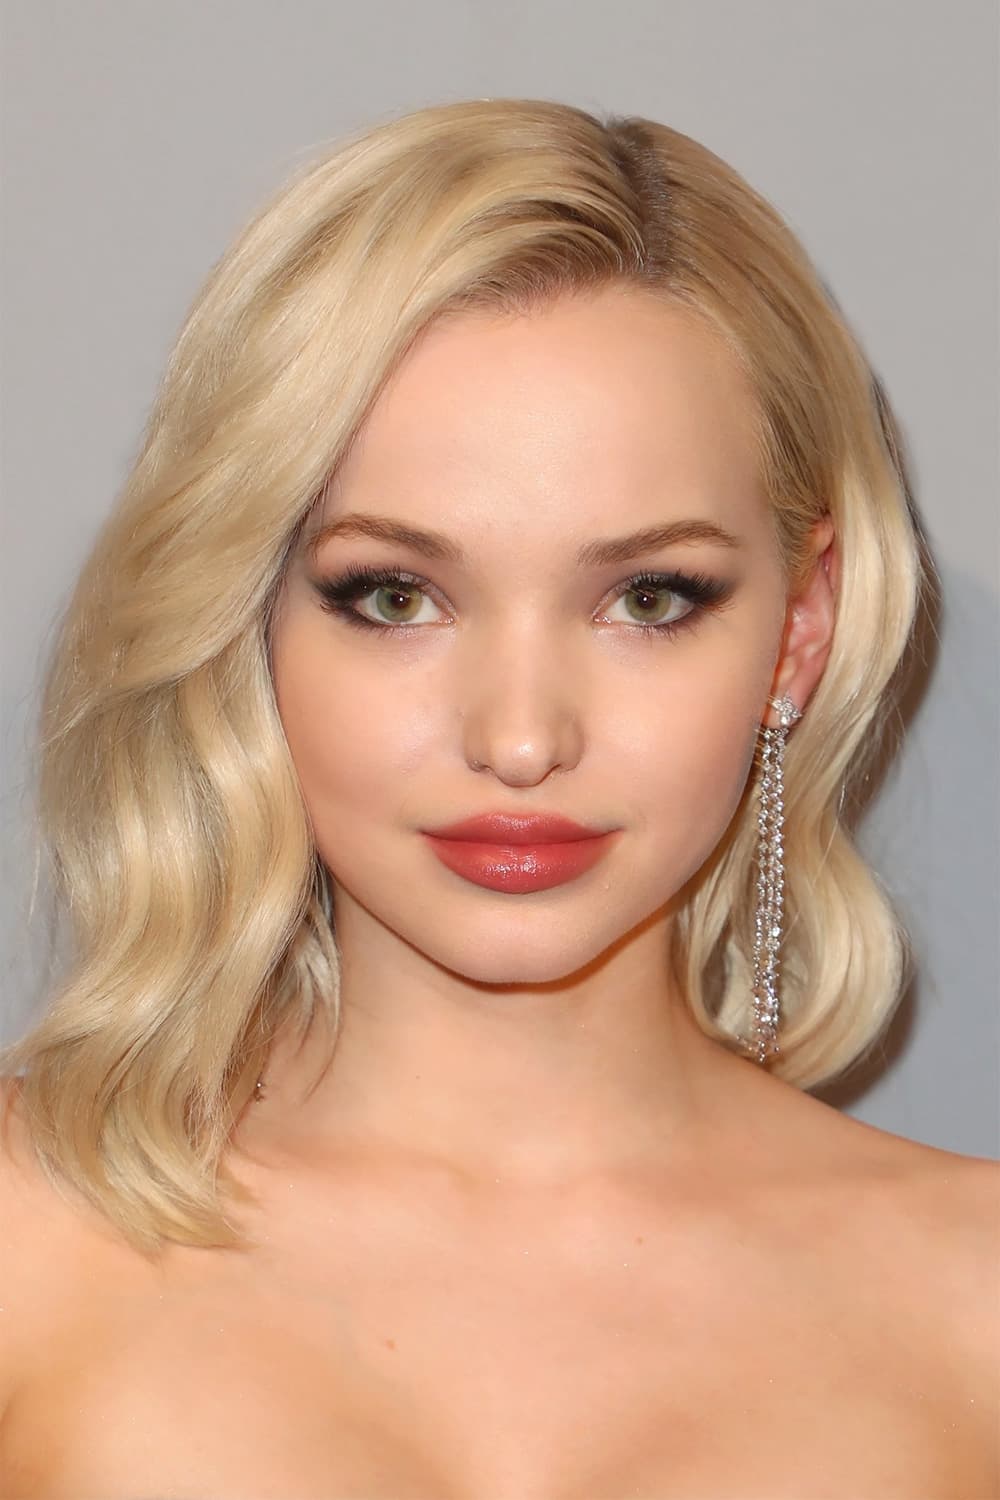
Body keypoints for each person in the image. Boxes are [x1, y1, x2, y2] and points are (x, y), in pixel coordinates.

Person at [0, 97, 995, 1499]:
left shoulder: (973, 1305)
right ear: (247, 617)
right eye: (394, 597)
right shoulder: (24, 1244)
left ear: (799, 631)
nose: (521, 740)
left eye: (649, 599)